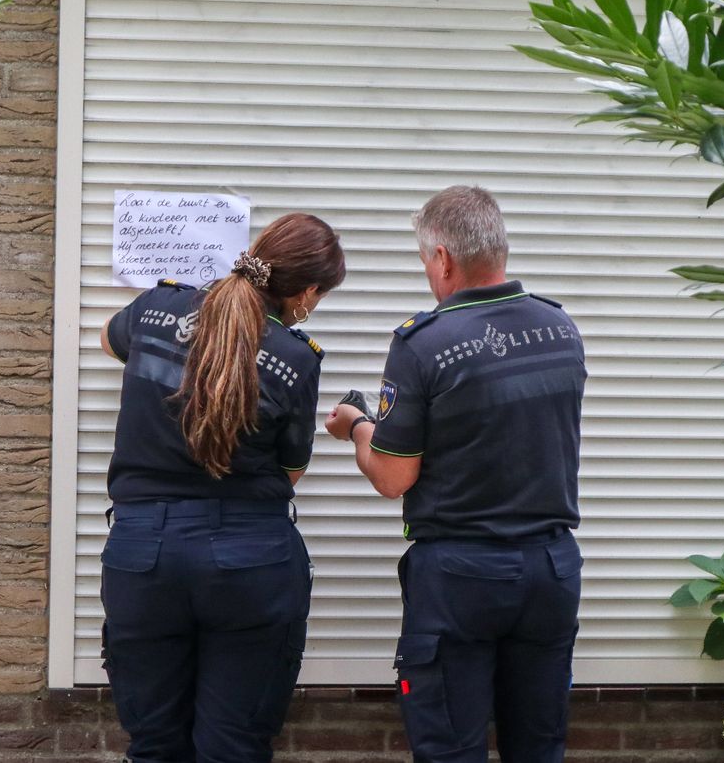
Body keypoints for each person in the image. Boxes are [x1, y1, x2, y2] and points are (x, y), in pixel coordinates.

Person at [326, 186, 585, 763]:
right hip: (551, 568)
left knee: (449, 747)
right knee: (539, 746)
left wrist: (358, 427)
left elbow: (394, 477)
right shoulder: (561, 329)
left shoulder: (424, 343)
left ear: (443, 258)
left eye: (425, 262)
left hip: (460, 575)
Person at [99, 212, 346, 763]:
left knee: (154, 743)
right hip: (249, 557)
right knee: (233, 745)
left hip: (142, 553)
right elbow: (290, 471)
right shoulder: (295, 358)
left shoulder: (156, 307)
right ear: (305, 294)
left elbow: (110, 341)